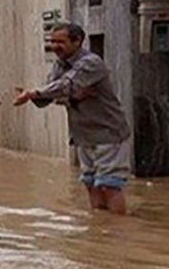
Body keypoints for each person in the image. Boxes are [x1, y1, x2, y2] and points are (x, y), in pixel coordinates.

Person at [14, 22, 132, 214]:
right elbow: (53, 93)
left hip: (108, 134)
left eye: (60, 42)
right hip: (83, 135)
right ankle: (101, 230)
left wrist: (34, 94)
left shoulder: (91, 63)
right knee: (90, 183)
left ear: (77, 41)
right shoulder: (60, 65)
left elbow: (64, 86)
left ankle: (118, 231)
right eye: (52, 42)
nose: (54, 46)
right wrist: (66, 96)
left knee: (110, 185)